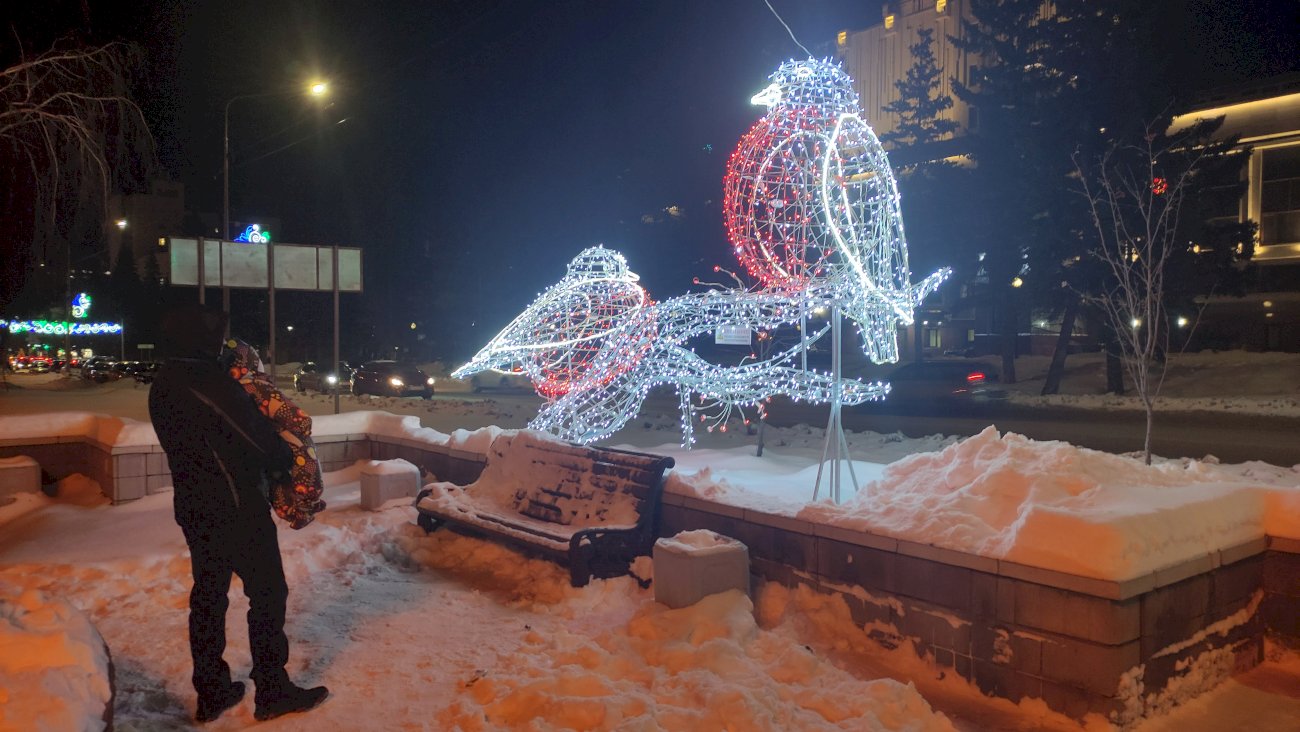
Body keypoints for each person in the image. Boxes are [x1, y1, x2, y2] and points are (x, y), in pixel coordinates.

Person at [148, 304, 329, 723]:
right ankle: (272, 688)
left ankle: (211, 690)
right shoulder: (205, 380)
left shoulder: (163, 382)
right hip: (235, 507)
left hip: (194, 507)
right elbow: (259, 439)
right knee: (267, 594)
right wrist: (287, 456)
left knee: (208, 597)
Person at [219, 338, 326, 530]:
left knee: (275, 482)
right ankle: (304, 505)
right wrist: (303, 426)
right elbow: (294, 417)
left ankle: (290, 509)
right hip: (277, 441)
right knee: (304, 457)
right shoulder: (254, 385)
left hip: (247, 458)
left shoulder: (227, 390)